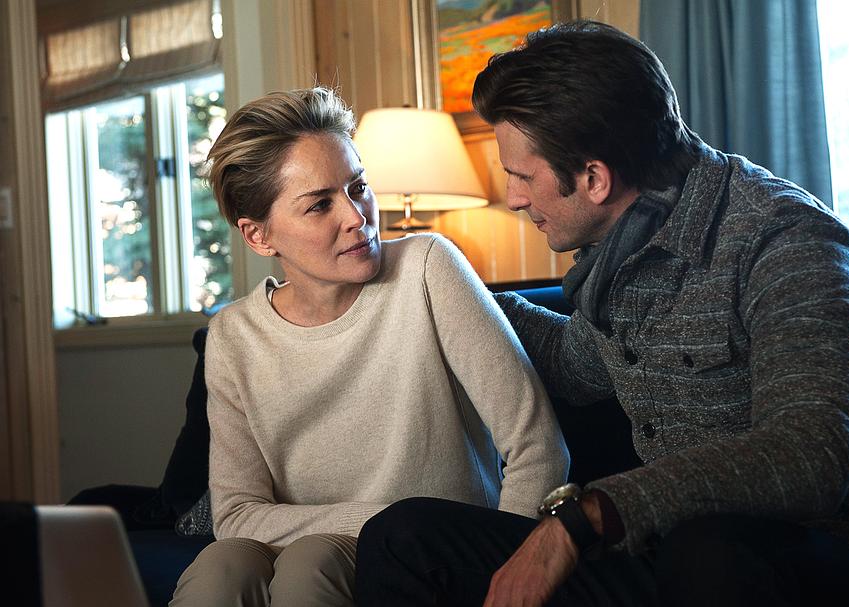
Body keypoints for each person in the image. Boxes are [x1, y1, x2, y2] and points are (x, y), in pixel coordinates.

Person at [353, 21, 849, 607]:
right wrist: (443, 292)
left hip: (840, 558)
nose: (514, 198)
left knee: (708, 550)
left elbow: (810, 457)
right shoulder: (627, 245)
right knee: (403, 539)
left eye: (521, 176)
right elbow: (572, 366)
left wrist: (586, 517)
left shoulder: (788, 241)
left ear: (594, 178)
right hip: (668, 549)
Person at [169, 87, 569, 607]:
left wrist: (504, 570)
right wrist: (389, 520)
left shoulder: (427, 267)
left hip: (430, 556)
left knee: (310, 564)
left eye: (358, 187)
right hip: (354, 539)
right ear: (259, 236)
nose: (357, 216)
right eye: (320, 205)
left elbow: (537, 446)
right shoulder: (232, 335)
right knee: (221, 568)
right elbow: (237, 515)